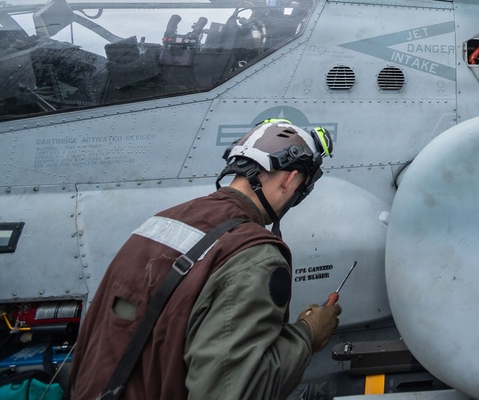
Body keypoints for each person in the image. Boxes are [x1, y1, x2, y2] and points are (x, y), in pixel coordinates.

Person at [69, 119, 341, 399]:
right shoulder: (254, 256)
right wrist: (307, 335)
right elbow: (234, 391)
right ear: (290, 179)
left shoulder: (161, 222)